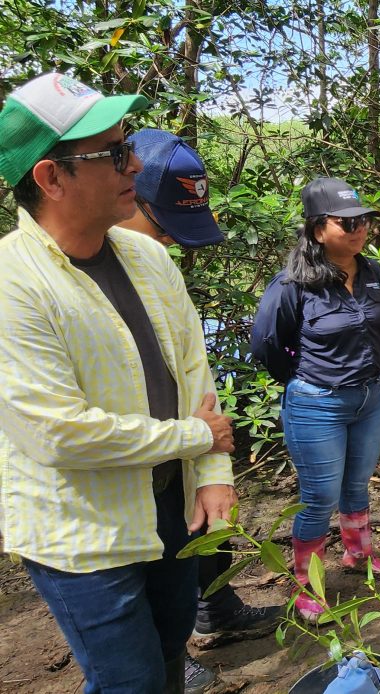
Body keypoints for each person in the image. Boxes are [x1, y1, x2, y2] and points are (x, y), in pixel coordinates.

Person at [0, 73, 236, 693]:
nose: (134, 161)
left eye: (126, 144)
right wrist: (192, 438)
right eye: (112, 153)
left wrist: (211, 476)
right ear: (51, 178)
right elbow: (58, 434)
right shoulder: (13, 283)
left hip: (166, 507)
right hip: (81, 536)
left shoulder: (148, 256)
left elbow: (194, 371)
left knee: (165, 660)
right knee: (129, 681)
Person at [121, 128, 283, 692]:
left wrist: (206, 450)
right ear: (124, 195)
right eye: (162, 227)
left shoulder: (154, 268)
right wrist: (195, 435)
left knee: (195, 528)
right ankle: (161, 653)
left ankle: (216, 610)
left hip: (180, 450)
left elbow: (194, 370)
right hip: (121, 469)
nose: (167, 242)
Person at [251, 177, 380, 621]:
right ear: (319, 229)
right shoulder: (293, 284)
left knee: (356, 486)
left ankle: (358, 555)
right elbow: (266, 344)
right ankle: (307, 584)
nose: (359, 229)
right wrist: (304, 381)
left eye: (364, 221)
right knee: (318, 498)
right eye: (347, 222)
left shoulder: (373, 273)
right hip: (317, 404)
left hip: (369, 399)